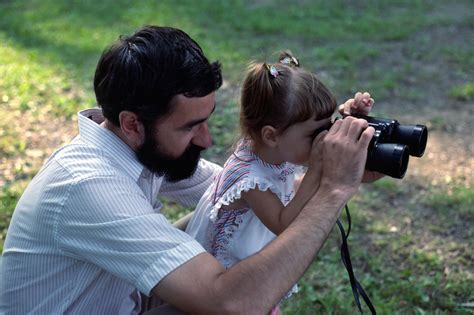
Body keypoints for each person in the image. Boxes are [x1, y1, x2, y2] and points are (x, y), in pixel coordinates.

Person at [0, 25, 376, 314]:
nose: (207, 140)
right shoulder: (91, 185)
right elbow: (229, 304)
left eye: (206, 120)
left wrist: (337, 155)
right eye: (189, 126)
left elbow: (231, 192)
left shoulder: (137, 150)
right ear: (133, 123)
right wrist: (333, 190)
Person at [185, 51, 375, 313]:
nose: (324, 139)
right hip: (225, 285)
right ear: (271, 135)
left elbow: (294, 179)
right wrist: (317, 168)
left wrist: (352, 123)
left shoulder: (274, 149)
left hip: (249, 266)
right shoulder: (249, 179)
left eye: (328, 127)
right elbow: (284, 224)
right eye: (315, 134)